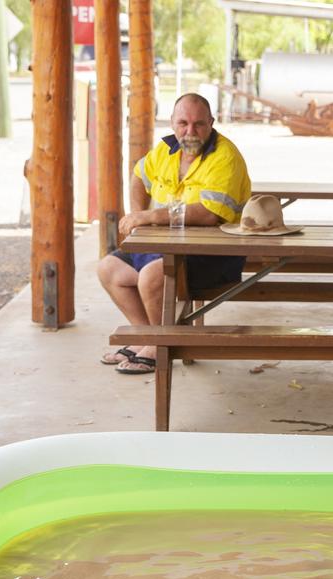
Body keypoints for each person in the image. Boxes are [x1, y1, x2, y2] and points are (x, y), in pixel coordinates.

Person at [98, 93, 251, 374]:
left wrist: (149, 216)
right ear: (172, 123)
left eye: (198, 124)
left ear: (211, 123)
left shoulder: (225, 156)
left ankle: (160, 346)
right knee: (109, 268)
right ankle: (147, 337)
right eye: (183, 123)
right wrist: (138, 218)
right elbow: (138, 176)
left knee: (152, 276)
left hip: (215, 254)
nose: (189, 131)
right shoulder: (165, 150)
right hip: (168, 245)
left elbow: (208, 214)